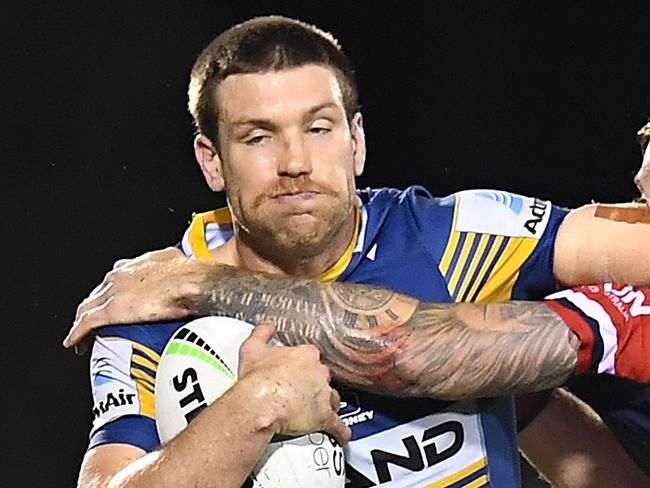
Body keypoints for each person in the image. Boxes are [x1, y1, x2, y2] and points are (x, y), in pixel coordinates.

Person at [67, 16, 650, 488]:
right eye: (258, 137)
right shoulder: (144, 304)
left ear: (357, 141)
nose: (295, 162)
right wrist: (253, 410)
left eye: (318, 128)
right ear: (211, 160)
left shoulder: (458, 237)